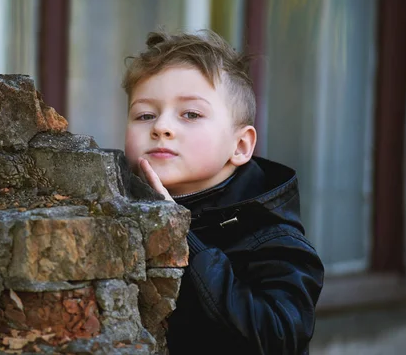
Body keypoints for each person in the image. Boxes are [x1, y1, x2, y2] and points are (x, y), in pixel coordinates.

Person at [123, 29, 324, 354]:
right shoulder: (114, 205)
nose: (160, 127)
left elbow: (278, 337)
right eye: (145, 115)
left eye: (191, 114)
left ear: (240, 145)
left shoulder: (274, 239)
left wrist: (177, 231)